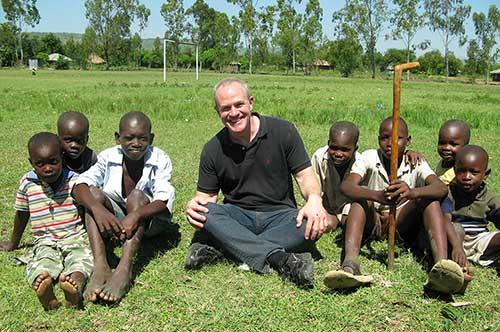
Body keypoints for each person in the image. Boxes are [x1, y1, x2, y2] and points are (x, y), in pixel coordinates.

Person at [185, 78, 327, 288]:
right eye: (225, 108)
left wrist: (314, 199)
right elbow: (206, 198)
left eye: (239, 104)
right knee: (207, 213)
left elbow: (304, 176)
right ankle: (281, 259)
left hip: (281, 216)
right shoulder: (213, 149)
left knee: (309, 225)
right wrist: (194, 206)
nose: (233, 113)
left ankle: (227, 247)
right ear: (218, 112)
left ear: (250, 102)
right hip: (237, 215)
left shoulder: (283, 131)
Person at [324, 117, 465, 294]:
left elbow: (440, 188)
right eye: (384, 138)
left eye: (398, 138)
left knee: (430, 198)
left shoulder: (416, 162)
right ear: (378, 140)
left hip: (401, 222)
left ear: (408, 140)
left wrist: (412, 192)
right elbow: (347, 186)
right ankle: (350, 264)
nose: (390, 144)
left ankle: (442, 268)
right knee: (361, 198)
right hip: (373, 221)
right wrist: (377, 196)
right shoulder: (369, 157)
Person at [73, 111, 175, 303]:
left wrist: (135, 216)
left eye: (142, 138)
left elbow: (163, 200)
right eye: (129, 138)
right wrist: (98, 210)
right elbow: (79, 186)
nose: (136, 143)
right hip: (119, 219)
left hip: (149, 223)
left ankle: (124, 269)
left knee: (137, 195)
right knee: (93, 195)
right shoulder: (108, 156)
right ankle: (100, 264)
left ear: (151, 138)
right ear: (117, 138)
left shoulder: (160, 159)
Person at [0, 133, 93, 310]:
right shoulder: (27, 183)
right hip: (44, 241)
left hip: (74, 237)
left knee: (82, 260)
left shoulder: (74, 181)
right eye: (40, 164)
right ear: (31, 163)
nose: (48, 168)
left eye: (53, 161)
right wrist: (13, 242)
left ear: (62, 158)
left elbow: (88, 209)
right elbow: (22, 214)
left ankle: (75, 286)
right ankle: (43, 284)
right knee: (41, 262)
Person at [442, 145, 500, 268]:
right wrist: (457, 247)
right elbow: (445, 221)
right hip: (453, 240)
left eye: (474, 172)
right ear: (454, 170)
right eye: (461, 171)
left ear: (485, 174)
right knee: (457, 228)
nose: (467, 177)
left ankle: (478, 256)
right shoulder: (448, 194)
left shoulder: (489, 198)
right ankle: (455, 260)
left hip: (479, 240)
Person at [311, 121, 361, 231]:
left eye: (345, 150)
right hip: (327, 206)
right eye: (334, 148)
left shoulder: (361, 163)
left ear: (355, 148)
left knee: (352, 223)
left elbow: (360, 196)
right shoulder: (319, 157)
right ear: (328, 143)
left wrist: (344, 216)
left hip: (350, 208)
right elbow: (314, 189)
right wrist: (319, 211)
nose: (338, 154)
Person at [435, 120, 470, 185]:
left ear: (466, 146)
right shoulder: (443, 162)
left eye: (453, 144)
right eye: (442, 143)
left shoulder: (462, 172)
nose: (446, 148)